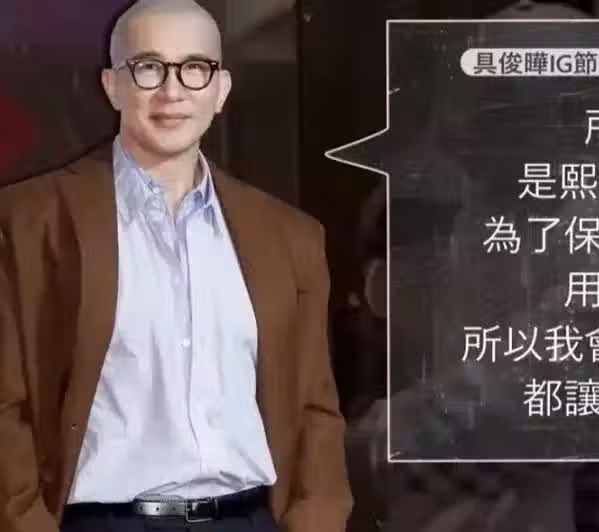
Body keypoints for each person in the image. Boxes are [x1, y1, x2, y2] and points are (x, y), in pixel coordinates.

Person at [0, 1, 352, 531]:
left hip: (248, 518)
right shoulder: (31, 223)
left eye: (195, 68)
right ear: (112, 85)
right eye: (148, 67)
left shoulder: (290, 236)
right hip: (104, 521)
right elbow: (7, 403)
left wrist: (316, 519)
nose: (172, 91)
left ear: (221, 89)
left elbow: (313, 408)